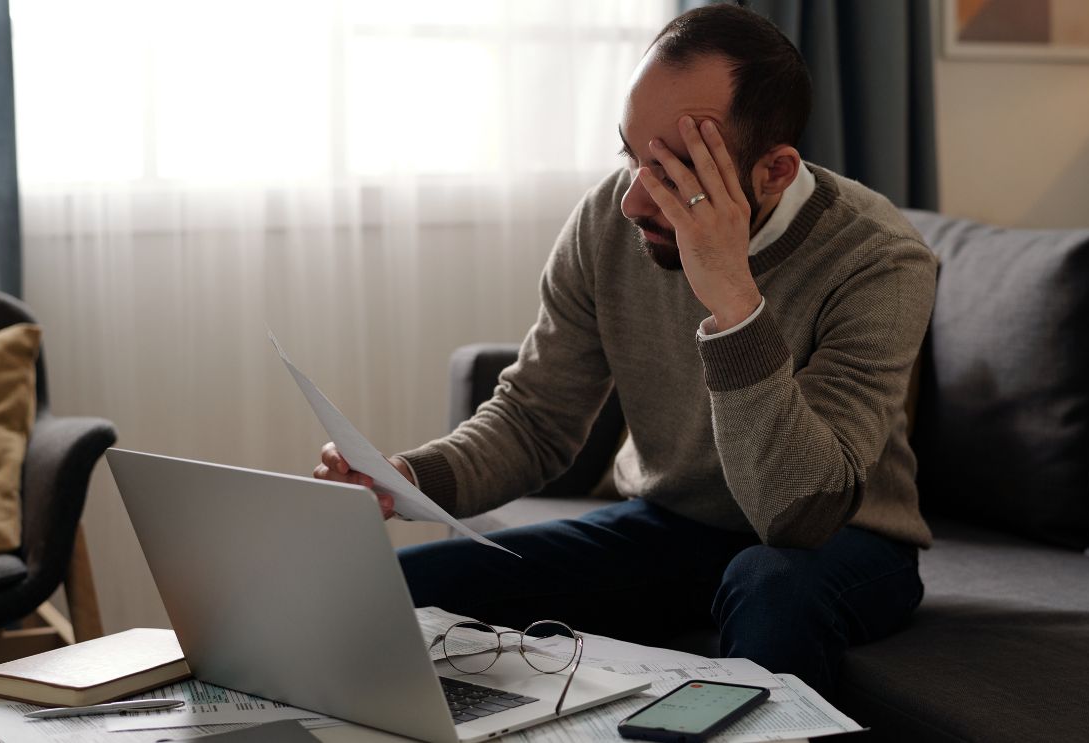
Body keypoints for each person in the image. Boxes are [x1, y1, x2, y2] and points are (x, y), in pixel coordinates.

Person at [314, 3, 935, 698]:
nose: (634, 200)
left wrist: (733, 301)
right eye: (631, 156)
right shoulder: (607, 222)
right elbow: (534, 419)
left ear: (774, 171)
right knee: (404, 589)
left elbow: (796, 512)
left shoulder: (878, 259)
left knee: (768, 583)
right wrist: (399, 478)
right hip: (670, 525)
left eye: (673, 173)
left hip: (839, 542)